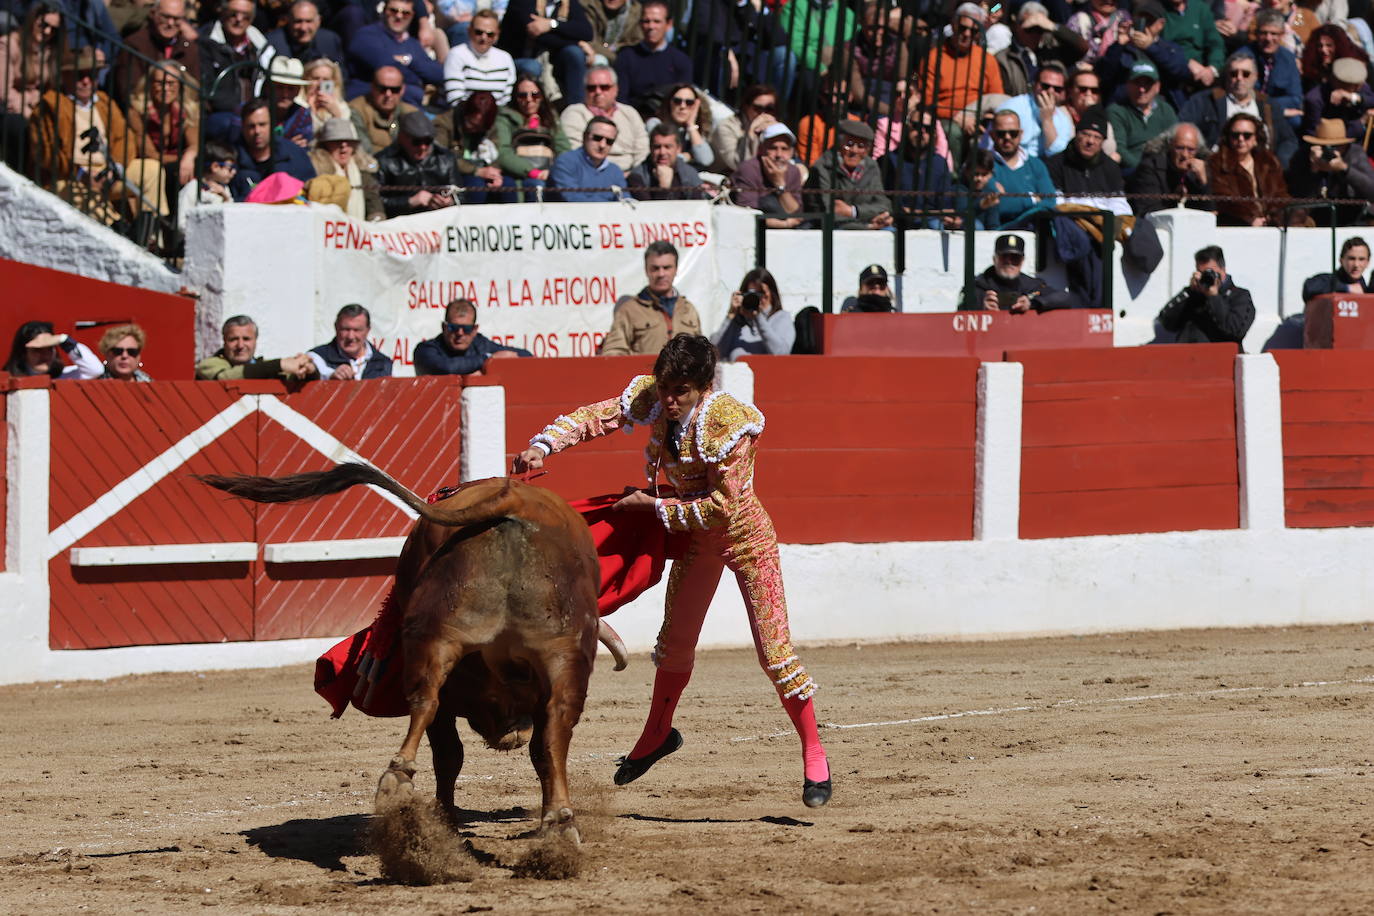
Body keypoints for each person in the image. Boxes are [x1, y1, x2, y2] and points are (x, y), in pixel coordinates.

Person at [512, 334, 832, 808]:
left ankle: (815, 753)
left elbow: (724, 508)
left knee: (775, 654)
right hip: (695, 543)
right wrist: (543, 445)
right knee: (674, 646)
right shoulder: (656, 397)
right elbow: (596, 417)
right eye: (665, 387)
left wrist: (653, 507)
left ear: (704, 387)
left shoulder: (730, 423)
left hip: (746, 540)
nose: (668, 399)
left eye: (680, 390)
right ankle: (657, 736)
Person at [28, 48, 171, 226]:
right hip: (70, 177)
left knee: (151, 170)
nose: (87, 81)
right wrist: (80, 174)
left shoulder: (104, 102)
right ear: (66, 76)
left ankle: (153, 232)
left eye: (92, 75)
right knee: (82, 193)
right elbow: (45, 153)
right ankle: (119, 229)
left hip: (107, 173)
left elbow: (126, 139)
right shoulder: (50, 106)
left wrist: (115, 167)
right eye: (80, 75)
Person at [1177, 50, 1297, 168]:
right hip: (1218, 170)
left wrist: (1278, 164)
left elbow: (1289, 140)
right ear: (1226, 76)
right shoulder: (1205, 101)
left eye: (1246, 74)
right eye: (1233, 74)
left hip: (1260, 171)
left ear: (1255, 77)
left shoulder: (1268, 105)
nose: (1239, 78)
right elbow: (1181, 130)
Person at [599, 240, 701, 355]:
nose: (661, 274)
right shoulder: (629, 310)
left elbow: (701, 354)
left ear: (676, 269)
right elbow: (613, 354)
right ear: (646, 270)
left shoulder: (688, 310)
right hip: (646, 373)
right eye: (655, 268)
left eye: (666, 267)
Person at [345, 0, 444, 107]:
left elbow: (437, 74)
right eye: (393, 11)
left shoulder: (413, 43)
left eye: (405, 13)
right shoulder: (366, 35)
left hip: (408, 107)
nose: (399, 16)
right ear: (384, 11)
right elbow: (386, 67)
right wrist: (417, 77)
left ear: (412, 16)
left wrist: (408, 60)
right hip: (369, 104)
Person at [198, 0, 275, 137]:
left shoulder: (260, 45)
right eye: (233, 14)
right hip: (220, 116)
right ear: (222, 12)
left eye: (245, 15)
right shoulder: (206, 42)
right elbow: (207, 89)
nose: (239, 20)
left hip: (254, 112)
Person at [497, 0, 593, 107]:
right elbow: (536, 33)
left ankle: (576, 108)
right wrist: (578, 43)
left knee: (574, 53)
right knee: (532, 67)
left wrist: (551, 24)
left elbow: (587, 32)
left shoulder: (567, 3)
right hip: (519, 58)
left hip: (552, 58)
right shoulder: (523, 2)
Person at [1207, 111, 1294, 226]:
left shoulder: (1269, 162)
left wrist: (1272, 217)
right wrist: (1249, 218)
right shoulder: (1217, 162)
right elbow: (1223, 199)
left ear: (1256, 139)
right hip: (1236, 225)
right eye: (1235, 135)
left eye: (1247, 135)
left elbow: (1280, 195)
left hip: (1271, 223)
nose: (1241, 139)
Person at [803, 120, 893, 230]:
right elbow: (829, 212)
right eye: (849, 144)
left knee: (892, 233)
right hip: (829, 227)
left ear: (867, 149)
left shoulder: (871, 166)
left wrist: (854, 211)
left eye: (861, 146)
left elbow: (884, 205)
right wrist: (866, 226)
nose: (854, 151)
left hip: (866, 222)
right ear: (839, 144)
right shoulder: (823, 167)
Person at [1157, 245, 1255, 346]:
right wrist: (1190, 291)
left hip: (1221, 358)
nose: (1206, 277)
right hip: (1188, 357)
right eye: (1201, 273)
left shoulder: (1240, 295)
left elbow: (1235, 330)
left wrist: (1214, 296)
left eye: (1210, 272)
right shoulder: (1194, 295)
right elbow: (1166, 322)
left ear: (1223, 270)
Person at [560, 64, 648, 172]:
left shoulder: (630, 113)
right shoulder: (573, 113)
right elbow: (575, 152)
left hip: (631, 176)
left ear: (615, 89)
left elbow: (643, 151)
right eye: (591, 88)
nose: (598, 92)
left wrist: (633, 174)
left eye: (604, 87)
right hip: (592, 174)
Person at [127, 60, 200, 190]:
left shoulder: (187, 109)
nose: (166, 88)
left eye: (171, 83)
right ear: (150, 84)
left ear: (180, 85)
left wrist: (188, 157)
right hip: (151, 166)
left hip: (179, 165)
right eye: (160, 83)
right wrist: (181, 159)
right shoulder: (137, 110)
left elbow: (194, 144)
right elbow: (149, 153)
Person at [962, 234, 1082, 312]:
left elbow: (1066, 298)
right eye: (1004, 257)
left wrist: (1033, 303)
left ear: (1022, 261)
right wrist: (981, 310)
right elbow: (960, 315)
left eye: (1015, 258)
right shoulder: (976, 287)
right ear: (995, 259)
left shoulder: (1031, 285)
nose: (1010, 262)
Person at [1046, 105, 1130, 217]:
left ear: (1102, 142)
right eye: (1086, 134)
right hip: (1070, 221)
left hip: (1104, 224)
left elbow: (1119, 205)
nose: (1090, 141)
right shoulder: (1056, 163)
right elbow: (1057, 204)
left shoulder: (1111, 167)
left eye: (1097, 137)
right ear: (1076, 134)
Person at [1288, 118, 1374, 225]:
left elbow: (1371, 190)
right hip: (1316, 218)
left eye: (1335, 146)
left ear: (1345, 145)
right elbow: (1298, 195)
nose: (1330, 151)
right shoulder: (1304, 156)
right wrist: (1313, 170)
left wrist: (1345, 169)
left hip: (1353, 218)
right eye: (1325, 147)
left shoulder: (1355, 154)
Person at [376, 109, 461, 216]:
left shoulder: (445, 158)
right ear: (402, 137)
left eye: (428, 141)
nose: (423, 147)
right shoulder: (384, 161)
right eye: (416, 142)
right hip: (401, 224)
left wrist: (450, 201)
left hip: (439, 221)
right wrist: (409, 202)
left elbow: (462, 194)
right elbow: (376, 202)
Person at [413, 299, 532, 375]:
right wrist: (487, 360)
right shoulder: (426, 350)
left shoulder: (480, 344)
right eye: (453, 328)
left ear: (475, 330)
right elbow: (448, 368)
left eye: (467, 329)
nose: (460, 333)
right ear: (444, 327)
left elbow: (525, 356)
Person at [491, 74, 569, 189]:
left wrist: (554, 171)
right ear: (515, 98)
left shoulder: (550, 117)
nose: (528, 99)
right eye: (522, 95)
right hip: (519, 175)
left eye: (535, 95)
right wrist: (532, 172)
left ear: (542, 96)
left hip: (549, 172)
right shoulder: (505, 119)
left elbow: (564, 149)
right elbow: (503, 153)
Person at [881, 111, 957, 230]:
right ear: (906, 127)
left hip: (931, 220)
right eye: (916, 126)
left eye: (928, 128)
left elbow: (945, 203)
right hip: (898, 221)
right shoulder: (888, 160)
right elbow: (885, 199)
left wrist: (950, 217)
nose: (922, 132)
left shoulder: (940, 163)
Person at [612, 0, 692, 111]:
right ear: (640, 24)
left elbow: (684, 99)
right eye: (646, 21)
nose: (651, 26)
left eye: (657, 21)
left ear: (668, 24)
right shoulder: (626, 57)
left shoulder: (681, 60)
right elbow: (621, 100)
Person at [229, 97, 316, 198]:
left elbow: (311, 192)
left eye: (262, 125)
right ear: (243, 127)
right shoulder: (231, 159)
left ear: (272, 125)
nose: (257, 131)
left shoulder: (295, 156)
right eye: (251, 126)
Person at [116, 0, 200, 103]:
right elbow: (129, 92)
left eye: (176, 18)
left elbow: (196, 93)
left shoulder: (189, 49)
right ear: (152, 13)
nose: (170, 23)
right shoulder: (134, 44)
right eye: (165, 17)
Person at [995, 2, 1085, 98]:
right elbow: (997, 5)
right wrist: (994, 9)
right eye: (1030, 29)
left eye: (1039, 29)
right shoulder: (1003, 59)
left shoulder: (1053, 52)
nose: (1034, 34)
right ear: (1017, 26)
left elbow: (1083, 48)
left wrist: (1053, 26)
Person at [434, 89, 508, 202]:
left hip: (482, 168)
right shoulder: (444, 123)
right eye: (471, 124)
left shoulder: (488, 124)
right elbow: (441, 157)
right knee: (476, 186)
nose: (474, 129)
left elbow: (495, 151)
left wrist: (495, 173)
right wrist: (476, 170)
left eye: (480, 128)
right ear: (466, 113)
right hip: (456, 173)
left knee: (507, 185)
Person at [987, 109, 1056, 227]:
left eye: (1013, 133)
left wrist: (1008, 200)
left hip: (1035, 230)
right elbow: (995, 207)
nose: (1007, 137)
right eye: (1001, 133)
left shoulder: (1036, 165)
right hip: (998, 232)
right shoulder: (984, 165)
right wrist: (1032, 199)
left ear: (1020, 134)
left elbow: (1050, 203)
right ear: (992, 135)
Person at [993, 60, 1075, 160]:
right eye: (1045, 86)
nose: (1050, 91)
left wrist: (1047, 120)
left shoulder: (1062, 118)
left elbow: (1057, 154)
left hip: (1043, 169)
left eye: (1057, 89)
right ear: (1034, 85)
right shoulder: (1013, 107)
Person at [1107, 58, 1178, 172]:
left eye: (1147, 83)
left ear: (1157, 87)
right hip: (1130, 171)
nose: (1142, 89)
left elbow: (1175, 142)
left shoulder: (1166, 110)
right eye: (1137, 83)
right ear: (1127, 85)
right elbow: (1119, 148)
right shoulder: (1116, 111)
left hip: (1163, 171)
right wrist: (1143, 169)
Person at [1126, 121, 1213, 214]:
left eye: (1190, 149)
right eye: (1179, 148)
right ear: (1170, 145)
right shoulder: (1151, 167)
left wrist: (1203, 183)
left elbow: (1210, 212)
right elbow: (1149, 210)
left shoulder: (1200, 170)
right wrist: (1173, 199)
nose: (1185, 155)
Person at [196, 314, 318, 379]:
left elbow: (294, 378)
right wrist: (279, 364)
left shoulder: (265, 366)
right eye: (233, 339)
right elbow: (226, 377)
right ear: (224, 341)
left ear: (255, 341)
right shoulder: (208, 365)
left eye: (246, 339)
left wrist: (307, 369)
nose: (240, 345)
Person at [731, 122, 803, 228]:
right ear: (762, 149)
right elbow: (747, 215)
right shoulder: (749, 169)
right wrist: (784, 224)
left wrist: (780, 184)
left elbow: (796, 214)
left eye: (784, 149)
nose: (779, 155)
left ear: (792, 152)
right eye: (773, 148)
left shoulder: (793, 171)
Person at [309, 117, 384, 220]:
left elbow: (373, 201)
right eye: (337, 141)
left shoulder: (362, 173)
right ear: (325, 145)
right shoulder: (316, 173)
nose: (343, 146)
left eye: (348, 142)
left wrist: (376, 218)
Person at [711, 268, 793, 359]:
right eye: (751, 294)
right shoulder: (737, 322)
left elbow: (781, 353)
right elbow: (713, 353)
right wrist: (731, 315)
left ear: (771, 293)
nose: (757, 298)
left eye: (761, 293)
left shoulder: (781, 318)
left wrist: (758, 317)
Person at [442, 8, 515, 107]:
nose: (484, 38)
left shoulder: (505, 58)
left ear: (497, 35)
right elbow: (454, 98)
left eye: (490, 34)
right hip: (464, 116)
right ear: (469, 31)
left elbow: (506, 98)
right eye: (479, 32)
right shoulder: (456, 54)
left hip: (498, 117)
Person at [1247, 9, 1303, 126]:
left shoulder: (1288, 59)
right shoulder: (1244, 57)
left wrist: (1272, 107)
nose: (1268, 38)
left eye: (1273, 34)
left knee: (1295, 120)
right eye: (1264, 33)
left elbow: (1295, 98)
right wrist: (1276, 108)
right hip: (1247, 111)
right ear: (1256, 34)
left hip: (1278, 112)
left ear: (1282, 35)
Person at [551, 115, 626, 201]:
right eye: (597, 138)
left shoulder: (615, 171)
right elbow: (573, 199)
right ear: (584, 136)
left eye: (609, 141)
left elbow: (625, 200)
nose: (602, 145)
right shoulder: (565, 162)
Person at [308, 304, 393, 379]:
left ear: (368, 330)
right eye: (345, 329)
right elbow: (316, 370)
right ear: (336, 327)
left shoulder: (383, 363)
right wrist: (332, 375)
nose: (350, 336)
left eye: (357, 330)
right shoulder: (317, 357)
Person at [1302, 56, 1374, 142]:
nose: (1358, 88)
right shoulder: (1315, 99)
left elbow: (1371, 99)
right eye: (1354, 86)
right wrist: (1361, 122)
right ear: (1336, 81)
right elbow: (1318, 137)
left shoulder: (1358, 85)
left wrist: (1353, 97)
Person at [644, 83, 714, 171]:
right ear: (670, 103)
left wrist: (691, 125)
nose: (682, 106)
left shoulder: (693, 132)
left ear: (695, 106)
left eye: (689, 102)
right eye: (677, 101)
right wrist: (687, 156)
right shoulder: (655, 124)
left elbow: (706, 160)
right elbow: (663, 157)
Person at [709, 84, 776, 175]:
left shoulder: (773, 126)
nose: (763, 114)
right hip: (728, 176)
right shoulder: (726, 127)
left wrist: (777, 132)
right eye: (758, 108)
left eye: (769, 109)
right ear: (746, 106)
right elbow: (739, 166)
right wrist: (750, 133)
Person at [348, 65, 417, 154]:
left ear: (402, 90)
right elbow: (364, 152)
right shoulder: (357, 110)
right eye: (382, 89)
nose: (388, 94)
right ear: (372, 87)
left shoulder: (411, 113)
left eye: (394, 90)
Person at [627, 123, 706, 199]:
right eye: (657, 147)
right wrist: (663, 188)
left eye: (668, 147)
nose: (662, 152)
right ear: (650, 148)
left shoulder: (689, 174)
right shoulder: (637, 177)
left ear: (678, 149)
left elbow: (698, 207)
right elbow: (648, 211)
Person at [3, 321, 102, 379]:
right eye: (38, 350)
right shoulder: (8, 379)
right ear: (23, 353)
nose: (45, 355)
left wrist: (64, 340)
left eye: (49, 349)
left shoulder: (64, 375)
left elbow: (95, 370)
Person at [265, 0, 344, 68]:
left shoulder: (330, 41)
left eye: (308, 21)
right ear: (288, 20)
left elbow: (342, 77)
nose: (303, 28)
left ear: (319, 21)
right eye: (298, 21)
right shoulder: (272, 43)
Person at [178, 139, 236, 228]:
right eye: (230, 168)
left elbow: (231, 218)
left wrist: (226, 198)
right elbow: (181, 223)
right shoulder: (193, 188)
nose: (234, 172)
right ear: (215, 167)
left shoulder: (224, 189)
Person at [1065, 69, 1119, 161]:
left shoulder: (1100, 116)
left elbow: (1109, 149)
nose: (1088, 94)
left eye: (1094, 91)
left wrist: (1093, 113)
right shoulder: (1062, 114)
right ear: (1070, 92)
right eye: (1083, 89)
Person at [1301, 236, 1372, 301]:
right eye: (1351, 259)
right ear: (1341, 261)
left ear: (1368, 263)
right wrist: (1347, 288)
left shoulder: (1366, 288)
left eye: (1361, 259)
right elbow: (1309, 287)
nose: (1356, 264)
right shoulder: (1328, 280)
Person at [266, 55, 314, 148]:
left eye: (291, 89)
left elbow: (303, 149)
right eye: (280, 87)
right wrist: (288, 145)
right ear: (268, 88)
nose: (285, 94)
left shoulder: (303, 114)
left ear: (298, 91)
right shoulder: (253, 112)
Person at [582, 0, 642, 67]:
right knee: (600, 60)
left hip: (622, 54)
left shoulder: (636, 10)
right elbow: (589, 39)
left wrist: (616, 48)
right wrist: (613, 57)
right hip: (595, 53)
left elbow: (636, 40)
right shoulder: (590, 7)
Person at [302, 57, 349, 136]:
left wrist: (337, 115)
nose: (320, 84)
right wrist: (310, 111)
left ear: (334, 82)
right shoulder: (298, 103)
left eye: (326, 80)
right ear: (306, 78)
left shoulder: (341, 107)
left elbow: (345, 137)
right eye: (316, 78)